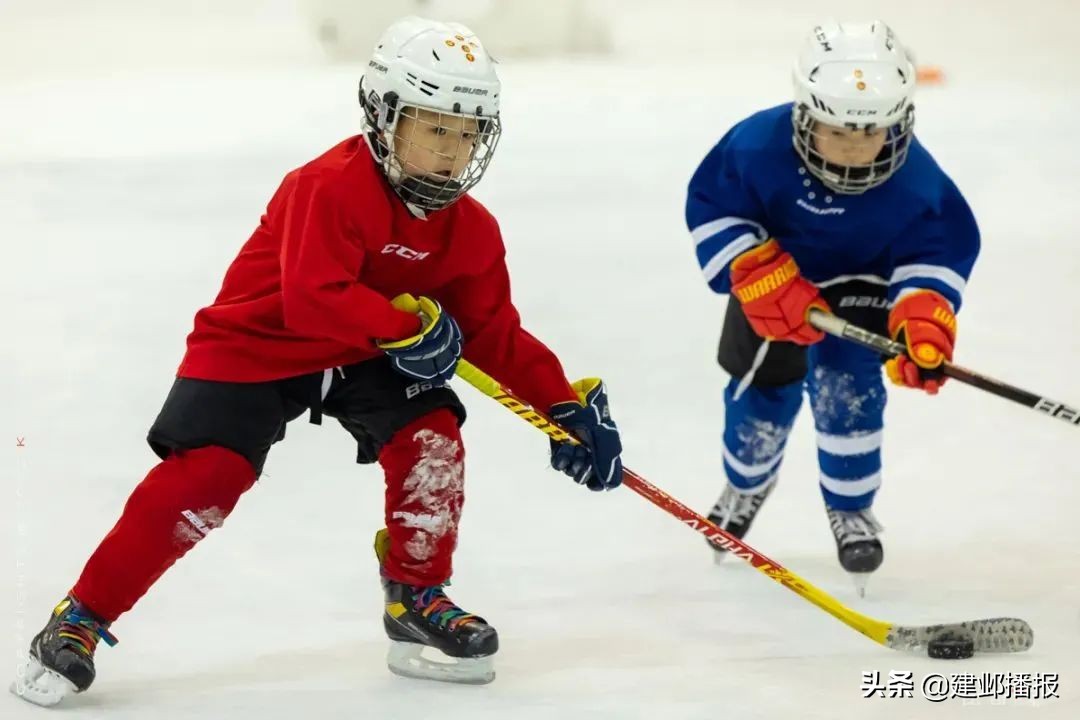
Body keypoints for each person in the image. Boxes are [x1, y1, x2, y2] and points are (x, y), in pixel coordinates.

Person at [13, 16, 623, 704]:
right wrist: (403, 326)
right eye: (435, 128)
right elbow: (312, 296)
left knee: (433, 443)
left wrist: (561, 406)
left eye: (467, 131)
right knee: (207, 479)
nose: (453, 151)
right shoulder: (329, 186)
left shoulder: (472, 231)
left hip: (369, 353)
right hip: (261, 340)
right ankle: (82, 617)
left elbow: (494, 333)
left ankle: (416, 597)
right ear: (385, 118)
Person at [685, 20, 979, 594]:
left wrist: (922, 317)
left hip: (860, 289)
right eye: (836, 130)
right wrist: (751, 267)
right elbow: (713, 204)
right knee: (759, 396)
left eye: (872, 131)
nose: (854, 148)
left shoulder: (919, 184)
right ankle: (744, 484)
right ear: (805, 114)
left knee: (852, 396)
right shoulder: (753, 146)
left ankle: (852, 508)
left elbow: (937, 250)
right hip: (774, 286)